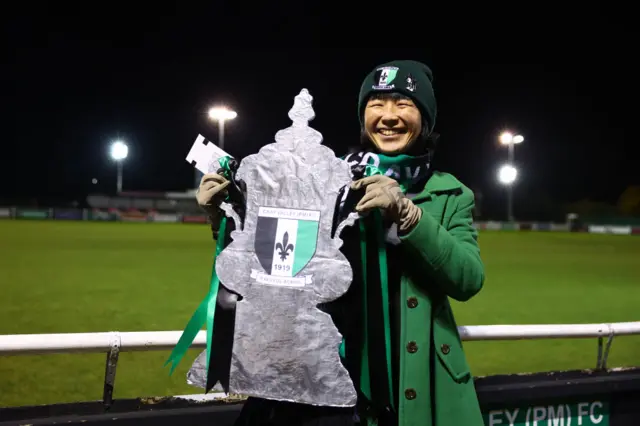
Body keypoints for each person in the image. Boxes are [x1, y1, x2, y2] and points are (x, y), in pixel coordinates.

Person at [196, 59, 485, 426]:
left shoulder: (450, 194)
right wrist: (223, 218)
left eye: (404, 104)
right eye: (376, 104)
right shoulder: (327, 179)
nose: (389, 116)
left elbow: (468, 279)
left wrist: (409, 215)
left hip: (407, 382)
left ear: (425, 119)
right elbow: (273, 261)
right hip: (325, 379)